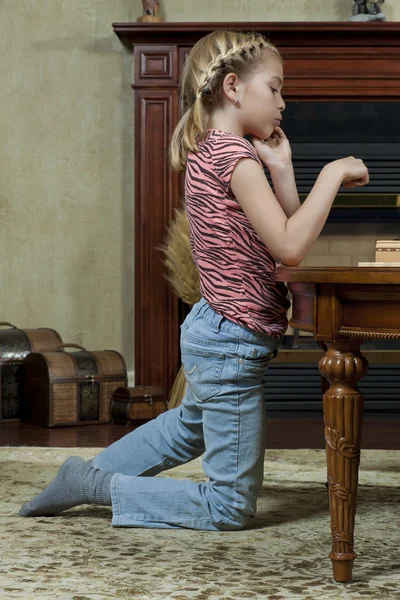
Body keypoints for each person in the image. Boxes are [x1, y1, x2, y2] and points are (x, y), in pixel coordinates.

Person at [19, 30, 369, 530]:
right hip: (230, 345)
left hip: (216, 331)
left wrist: (285, 168)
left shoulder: (214, 151)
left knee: (187, 429)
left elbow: (291, 243)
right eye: (274, 88)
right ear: (233, 87)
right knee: (227, 507)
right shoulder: (237, 160)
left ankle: (84, 473)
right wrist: (331, 174)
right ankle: (93, 485)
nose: (283, 102)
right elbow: (292, 248)